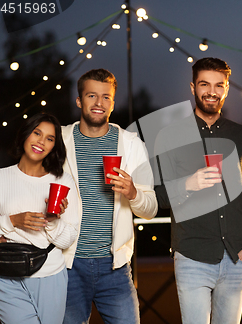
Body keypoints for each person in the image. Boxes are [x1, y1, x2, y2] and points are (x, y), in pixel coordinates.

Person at [155, 57, 242, 324]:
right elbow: (156, 197)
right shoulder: (170, 136)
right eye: (204, 84)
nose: (211, 91)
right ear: (193, 87)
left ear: (226, 89)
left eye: (219, 85)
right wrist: (188, 184)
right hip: (192, 255)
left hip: (237, 257)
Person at [61, 68, 158, 324]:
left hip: (114, 267)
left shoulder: (131, 144)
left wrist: (134, 193)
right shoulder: (60, 140)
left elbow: (150, 209)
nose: (99, 103)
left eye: (106, 97)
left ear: (113, 104)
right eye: (92, 96)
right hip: (68, 265)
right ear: (79, 101)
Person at [0, 113, 79, 324]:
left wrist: (53, 220)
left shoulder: (63, 181)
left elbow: (68, 239)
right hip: (3, 275)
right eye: (37, 133)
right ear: (25, 135)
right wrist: (12, 221)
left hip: (49, 274)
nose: (41, 141)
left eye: (50, 138)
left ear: (54, 146)